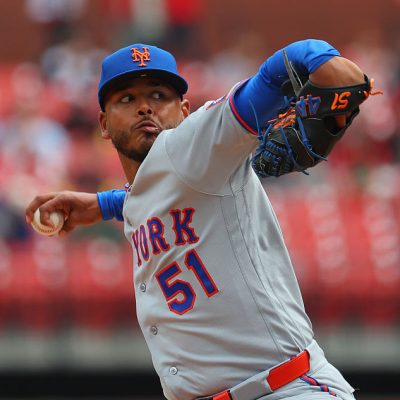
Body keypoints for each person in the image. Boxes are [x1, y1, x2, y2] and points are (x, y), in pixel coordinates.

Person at [26, 40, 368, 400]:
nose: (145, 107)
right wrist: (104, 204)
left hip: (285, 389)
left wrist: (316, 54)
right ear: (104, 124)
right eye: (126, 99)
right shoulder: (156, 186)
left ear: (185, 111)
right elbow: (153, 192)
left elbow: (270, 78)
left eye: (159, 95)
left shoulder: (192, 142)